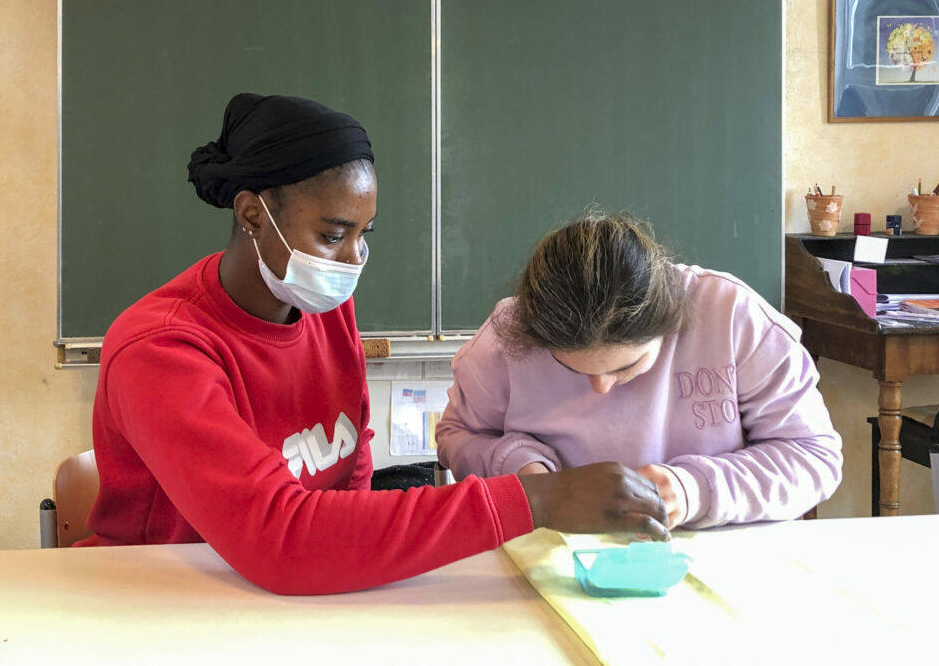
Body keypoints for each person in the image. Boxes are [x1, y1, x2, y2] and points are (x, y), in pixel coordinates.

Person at [79, 93, 669, 595]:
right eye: (333, 235)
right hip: (163, 600)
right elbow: (277, 537)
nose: (354, 258)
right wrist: (535, 500)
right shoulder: (161, 349)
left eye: (365, 234)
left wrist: (356, 565)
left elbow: (351, 465)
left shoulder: (323, 305)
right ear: (253, 215)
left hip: (290, 597)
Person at [435, 212, 843, 529]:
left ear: (672, 322)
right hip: (554, 559)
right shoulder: (506, 335)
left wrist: (695, 489)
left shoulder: (731, 317)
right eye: (571, 367)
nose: (601, 388)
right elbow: (456, 437)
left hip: (720, 557)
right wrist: (526, 473)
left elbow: (814, 457)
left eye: (627, 366)